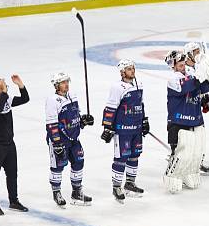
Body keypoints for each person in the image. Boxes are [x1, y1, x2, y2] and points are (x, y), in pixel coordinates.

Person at [163, 49, 209, 192]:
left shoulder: (191, 75)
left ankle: (189, 173)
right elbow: (185, 87)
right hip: (179, 123)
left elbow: (205, 86)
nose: (183, 66)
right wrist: (199, 75)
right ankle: (172, 175)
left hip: (196, 121)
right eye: (179, 64)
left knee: (196, 154)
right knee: (183, 154)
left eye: (183, 63)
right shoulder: (172, 79)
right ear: (173, 66)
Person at [0, 75, 30, 215]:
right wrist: (3, 94)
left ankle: (13, 201)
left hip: (9, 143)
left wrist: (20, 85)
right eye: (4, 87)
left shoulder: (6, 99)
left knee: (12, 173)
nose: (6, 89)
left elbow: (25, 99)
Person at [101, 59, 147, 202]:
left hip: (136, 128)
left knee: (135, 155)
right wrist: (108, 126)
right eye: (128, 69)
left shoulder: (139, 84)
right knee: (121, 158)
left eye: (133, 68)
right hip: (123, 130)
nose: (132, 71)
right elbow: (111, 107)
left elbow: (141, 104)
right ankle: (116, 187)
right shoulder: (117, 87)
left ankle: (130, 183)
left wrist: (144, 121)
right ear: (122, 72)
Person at [45, 73, 94, 207]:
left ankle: (76, 193)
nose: (66, 84)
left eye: (67, 81)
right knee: (58, 166)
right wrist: (56, 143)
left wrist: (83, 121)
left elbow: (75, 116)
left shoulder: (73, 96)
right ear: (56, 85)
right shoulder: (52, 100)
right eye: (63, 82)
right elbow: (51, 124)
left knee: (79, 162)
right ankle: (56, 193)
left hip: (74, 138)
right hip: (60, 140)